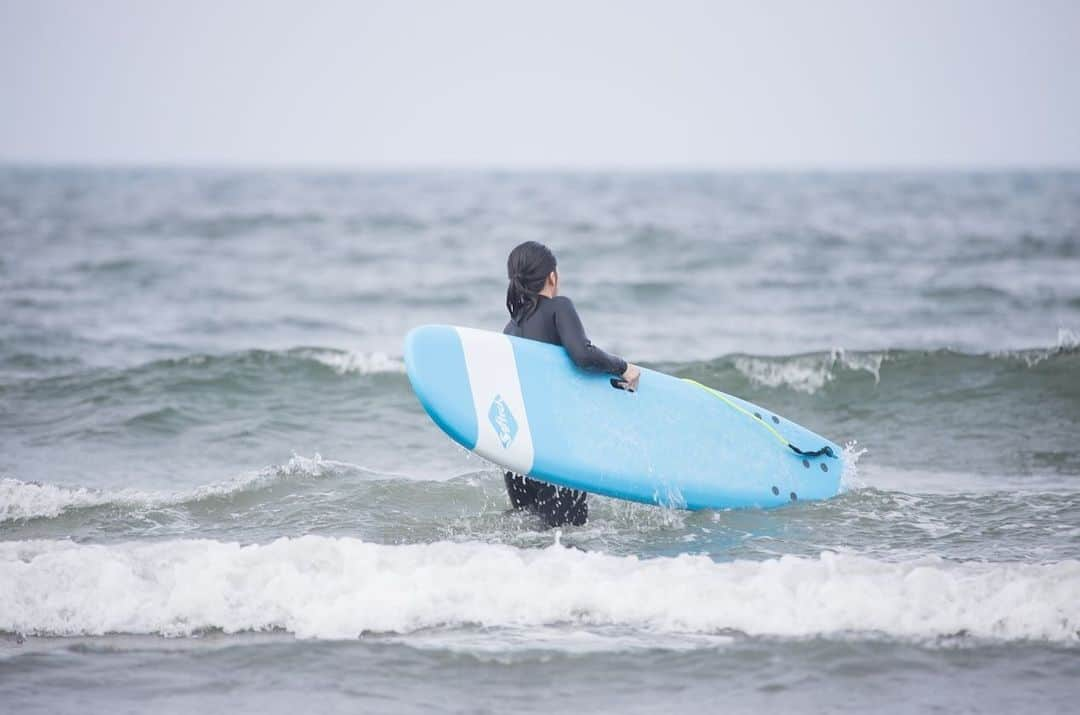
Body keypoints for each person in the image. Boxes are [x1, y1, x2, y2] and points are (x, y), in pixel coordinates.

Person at [502, 241, 640, 527]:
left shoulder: (510, 328)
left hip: (518, 454)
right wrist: (623, 368)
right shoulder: (558, 308)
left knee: (530, 535)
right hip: (557, 448)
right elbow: (582, 354)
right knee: (570, 536)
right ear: (552, 277)